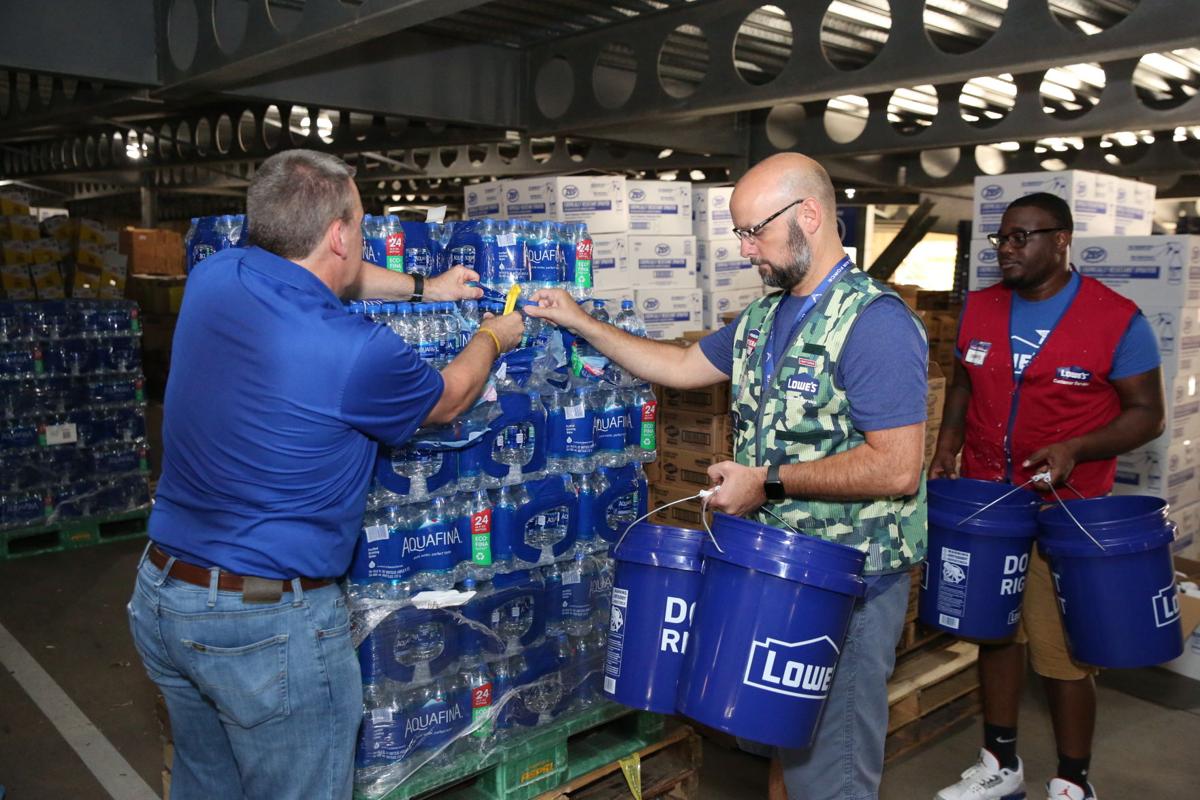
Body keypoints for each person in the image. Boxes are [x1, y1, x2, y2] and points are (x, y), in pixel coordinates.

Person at [527, 152, 929, 800]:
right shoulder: (766, 317)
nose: (745, 250)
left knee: (834, 767)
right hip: (778, 571)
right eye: (739, 234)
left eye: (754, 232)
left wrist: (765, 481)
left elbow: (897, 466)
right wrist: (581, 321)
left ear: (809, 215)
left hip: (847, 583)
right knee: (786, 740)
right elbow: (682, 366)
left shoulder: (874, 323)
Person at [125, 149, 525, 800]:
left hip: (165, 596)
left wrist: (427, 288)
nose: (360, 238)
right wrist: (493, 337)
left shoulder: (216, 276)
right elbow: (450, 398)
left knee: (207, 783)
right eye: (359, 225)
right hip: (264, 625)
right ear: (339, 235)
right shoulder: (356, 351)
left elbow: (325, 274)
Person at [930, 193, 1165, 800]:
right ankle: (1000, 763)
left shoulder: (1117, 319)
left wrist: (1077, 447)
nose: (1006, 249)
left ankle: (1073, 781)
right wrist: (948, 443)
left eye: (1022, 237)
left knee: (1062, 653)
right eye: (1001, 238)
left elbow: (1148, 414)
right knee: (994, 633)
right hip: (990, 504)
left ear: (1061, 240)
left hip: (1067, 511)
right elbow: (963, 382)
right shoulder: (981, 307)